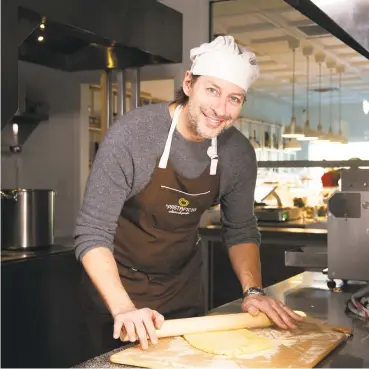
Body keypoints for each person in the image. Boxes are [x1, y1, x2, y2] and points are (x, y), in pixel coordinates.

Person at [74, 35, 303, 357]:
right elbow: (92, 233)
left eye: (234, 98)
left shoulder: (237, 153)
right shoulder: (133, 136)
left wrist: (253, 291)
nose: (221, 110)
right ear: (188, 83)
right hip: (117, 288)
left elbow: (240, 229)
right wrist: (124, 308)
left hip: (181, 288)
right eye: (212, 90)